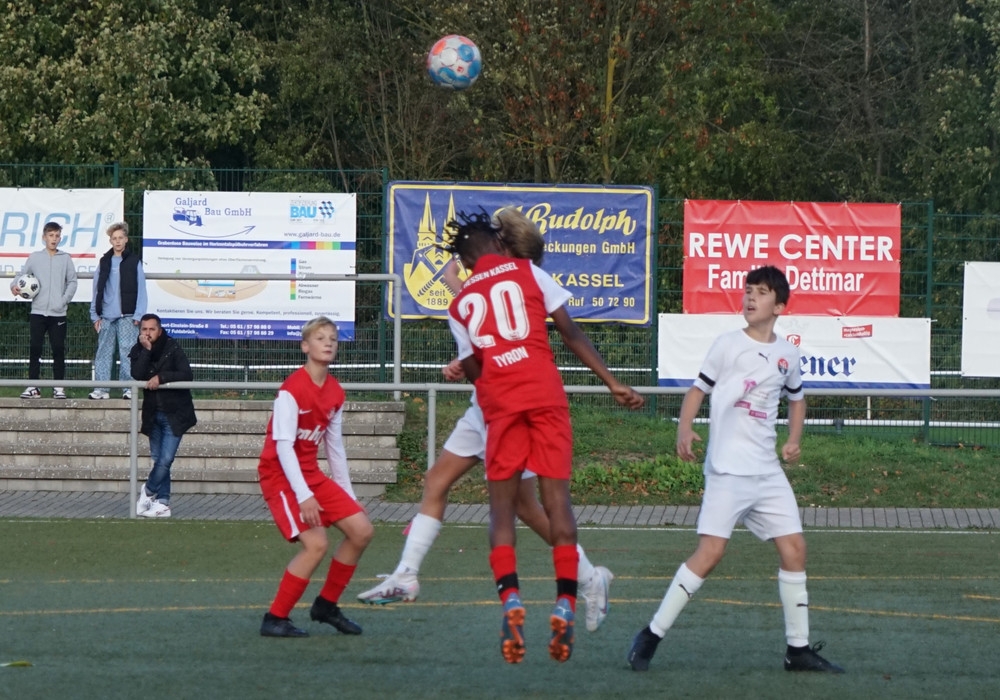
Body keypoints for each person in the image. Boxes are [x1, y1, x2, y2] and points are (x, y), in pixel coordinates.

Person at [357, 209, 615, 634]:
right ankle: (406, 574)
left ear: (503, 248)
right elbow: (487, 338)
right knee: (437, 480)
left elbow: (489, 340)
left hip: (503, 405)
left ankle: (588, 579)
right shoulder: (501, 282)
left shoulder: (503, 280)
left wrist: (464, 346)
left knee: (525, 507)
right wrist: (463, 359)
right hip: (489, 406)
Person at [445, 210, 643, 664]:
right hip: (544, 395)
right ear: (499, 245)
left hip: (500, 406)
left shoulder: (461, 304)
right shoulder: (528, 272)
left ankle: (511, 600)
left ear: (467, 262)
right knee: (556, 501)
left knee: (502, 511)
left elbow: (474, 370)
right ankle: (566, 602)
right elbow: (570, 332)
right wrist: (612, 383)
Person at [626, 265, 844, 674]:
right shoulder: (727, 345)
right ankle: (651, 635)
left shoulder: (788, 354)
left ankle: (797, 650)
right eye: (748, 290)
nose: (750, 298)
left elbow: (797, 398)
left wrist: (794, 438)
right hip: (727, 470)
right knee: (710, 554)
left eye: (760, 292)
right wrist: (684, 427)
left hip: (767, 473)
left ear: (779, 306)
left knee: (795, 549)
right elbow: (698, 390)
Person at [257, 316, 375, 638]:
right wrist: (304, 495)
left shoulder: (335, 392)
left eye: (333, 338)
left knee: (362, 530)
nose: (328, 343)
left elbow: (334, 448)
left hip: (309, 474)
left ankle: (326, 606)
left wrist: (348, 496)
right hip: (280, 475)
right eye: (320, 338)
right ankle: (275, 618)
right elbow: (283, 448)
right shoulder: (291, 390)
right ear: (305, 347)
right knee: (316, 544)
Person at [129, 314, 197, 518]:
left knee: (166, 459)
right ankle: (163, 503)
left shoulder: (172, 347)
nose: (147, 333)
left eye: (152, 329)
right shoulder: (138, 349)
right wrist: (146, 351)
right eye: (144, 329)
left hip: (174, 413)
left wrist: (161, 377)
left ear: (159, 330)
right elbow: (137, 373)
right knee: (158, 460)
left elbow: (186, 374)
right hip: (152, 412)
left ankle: (148, 491)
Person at [11, 221, 78, 399]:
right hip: (38, 312)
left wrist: (62, 301)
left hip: (58, 313)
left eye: (57, 236)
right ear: (44, 237)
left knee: (58, 349)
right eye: (51, 235)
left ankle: (59, 387)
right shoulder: (35, 257)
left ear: (60, 238)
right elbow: (21, 275)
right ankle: (33, 386)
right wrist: (14, 286)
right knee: (35, 348)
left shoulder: (65, 258)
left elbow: (72, 282)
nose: (54, 239)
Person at [90, 221, 147, 400]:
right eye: (114, 238)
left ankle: (128, 388)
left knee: (128, 352)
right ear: (110, 241)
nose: (118, 241)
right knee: (103, 352)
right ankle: (101, 389)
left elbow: (142, 289)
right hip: (106, 316)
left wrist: (139, 314)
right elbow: (96, 289)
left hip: (128, 316)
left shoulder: (134, 261)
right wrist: (94, 315)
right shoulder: (104, 262)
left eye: (121, 238)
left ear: (126, 239)